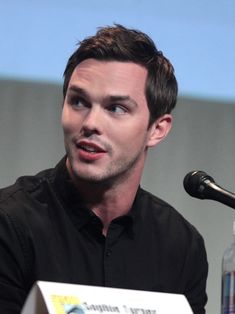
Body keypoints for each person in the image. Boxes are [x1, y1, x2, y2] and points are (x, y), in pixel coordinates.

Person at [0, 24, 208, 314]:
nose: (90, 123)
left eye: (116, 108)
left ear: (157, 129)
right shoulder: (9, 223)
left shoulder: (182, 245)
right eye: (79, 102)